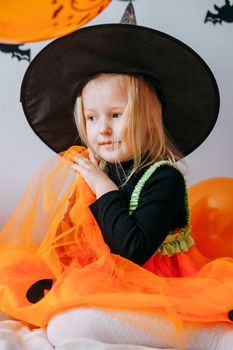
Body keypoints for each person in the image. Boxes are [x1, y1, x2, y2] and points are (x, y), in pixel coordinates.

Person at [0, 4, 233, 349]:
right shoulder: (99, 170)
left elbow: (132, 250)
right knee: (50, 312)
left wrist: (103, 188)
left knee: (69, 324)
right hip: (111, 283)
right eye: (92, 118)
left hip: (158, 288)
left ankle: (209, 337)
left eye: (116, 115)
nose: (102, 130)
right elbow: (73, 242)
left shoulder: (162, 178)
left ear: (147, 119)